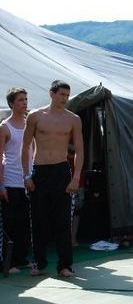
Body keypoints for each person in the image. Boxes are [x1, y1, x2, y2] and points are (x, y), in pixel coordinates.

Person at [21, 80, 84, 277]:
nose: (65, 98)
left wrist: (76, 177)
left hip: (61, 171)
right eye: (61, 94)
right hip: (40, 170)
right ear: (51, 94)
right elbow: (25, 146)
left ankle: (65, 265)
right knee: (38, 219)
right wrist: (26, 174)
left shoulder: (73, 119)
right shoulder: (35, 116)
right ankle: (39, 263)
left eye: (67, 95)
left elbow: (80, 150)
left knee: (62, 220)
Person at [0, 87, 32, 273]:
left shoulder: (31, 124)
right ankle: (8, 263)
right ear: (12, 104)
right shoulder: (4, 127)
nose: (25, 103)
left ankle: (21, 259)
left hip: (28, 181)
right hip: (10, 182)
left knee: (25, 223)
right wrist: (1, 185)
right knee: (9, 223)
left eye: (26, 99)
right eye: (20, 100)